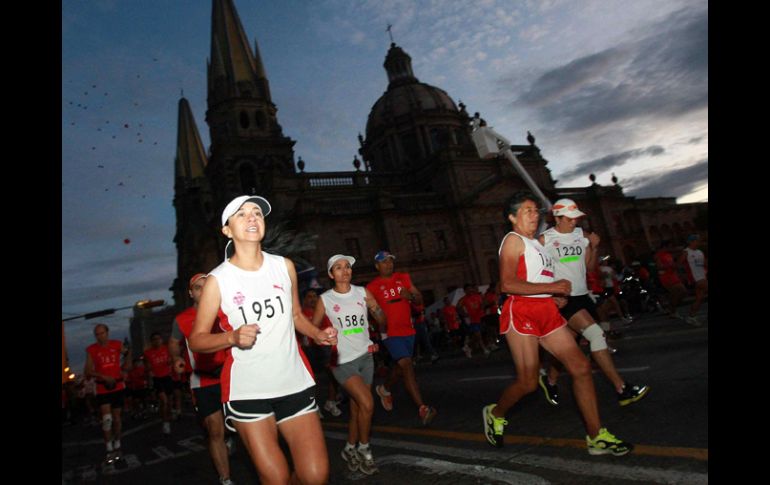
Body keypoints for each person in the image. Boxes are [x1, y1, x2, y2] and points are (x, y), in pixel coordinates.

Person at [188, 195, 337, 485]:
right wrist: (231, 336)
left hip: (292, 380)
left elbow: (295, 315)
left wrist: (318, 334)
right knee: (275, 478)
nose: (252, 217)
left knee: (315, 476)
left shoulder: (284, 266)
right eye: (241, 214)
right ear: (227, 230)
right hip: (247, 390)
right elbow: (197, 340)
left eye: (257, 212)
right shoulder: (218, 280)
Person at [482, 191, 632, 456]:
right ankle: (495, 413)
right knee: (528, 383)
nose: (534, 215)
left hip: (547, 312)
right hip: (522, 313)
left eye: (535, 210)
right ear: (512, 217)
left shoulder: (538, 245)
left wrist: (553, 296)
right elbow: (507, 283)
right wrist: (553, 286)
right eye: (527, 210)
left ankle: (596, 437)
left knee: (581, 367)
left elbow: (537, 280)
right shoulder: (513, 241)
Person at [539, 198, 649, 407]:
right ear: (557, 217)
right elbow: (535, 272)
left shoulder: (582, 236)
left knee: (568, 346)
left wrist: (594, 247)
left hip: (582, 296)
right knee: (596, 335)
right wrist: (550, 293)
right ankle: (621, 388)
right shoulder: (545, 240)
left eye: (576, 218)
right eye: (569, 218)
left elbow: (589, 268)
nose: (574, 222)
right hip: (564, 299)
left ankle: (550, 380)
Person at [313, 254, 387, 475]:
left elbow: (381, 319)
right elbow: (313, 331)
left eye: (347, 267)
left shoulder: (362, 293)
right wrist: (323, 336)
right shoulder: (325, 299)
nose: (344, 270)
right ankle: (365, 450)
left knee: (357, 409)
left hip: (365, 357)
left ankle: (349, 448)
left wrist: (378, 314)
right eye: (338, 267)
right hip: (342, 361)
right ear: (330, 274)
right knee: (367, 403)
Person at [169, 272, 234, 485]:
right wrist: (177, 357)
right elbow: (173, 342)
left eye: (207, 286)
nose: (203, 290)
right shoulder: (182, 319)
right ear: (191, 293)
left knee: (241, 425)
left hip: (231, 376)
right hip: (202, 380)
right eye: (198, 287)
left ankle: (231, 438)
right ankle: (225, 479)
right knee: (215, 430)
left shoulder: (226, 311)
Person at [366, 250, 437, 425]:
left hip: (408, 331)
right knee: (407, 365)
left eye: (390, 261)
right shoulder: (372, 287)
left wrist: (411, 297)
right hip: (389, 333)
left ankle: (385, 388)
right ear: (377, 266)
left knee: (400, 366)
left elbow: (419, 299)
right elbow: (370, 312)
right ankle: (422, 408)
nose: (388, 264)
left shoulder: (403, 277)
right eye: (384, 262)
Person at [85, 323, 131, 464]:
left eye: (102, 333)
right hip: (102, 388)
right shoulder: (92, 350)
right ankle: (109, 449)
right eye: (97, 334)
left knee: (117, 419)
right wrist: (103, 376)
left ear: (107, 332)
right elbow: (88, 371)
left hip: (117, 386)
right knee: (107, 419)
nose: (100, 336)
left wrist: (125, 368)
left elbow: (128, 352)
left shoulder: (116, 345)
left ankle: (117, 444)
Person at [300, 288, 342, 418]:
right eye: (309, 296)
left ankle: (330, 401)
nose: (312, 299)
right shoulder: (299, 315)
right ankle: (314, 406)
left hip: (325, 348)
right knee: (312, 380)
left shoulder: (323, 312)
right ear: (304, 300)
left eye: (314, 296)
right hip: (308, 350)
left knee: (334, 376)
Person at [143, 332, 173, 435]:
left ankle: (167, 416)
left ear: (161, 339)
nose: (157, 341)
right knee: (163, 400)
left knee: (169, 401)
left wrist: (170, 362)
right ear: (151, 341)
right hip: (157, 379)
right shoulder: (148, 353)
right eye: (154, 339)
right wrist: (149, 378)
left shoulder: (166, 348)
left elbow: (172, 359)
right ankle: (165, 422)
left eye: (158, 338)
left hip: (167, 377)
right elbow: (147, 367)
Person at [655, 240, 688, 319]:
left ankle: (671, 309)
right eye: (670, 246)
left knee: (681, 293)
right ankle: (672, 310)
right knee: (680, 291)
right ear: (665, 247)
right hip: (666, 277)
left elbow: (677, 257)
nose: (671, 248)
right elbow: (659, 267)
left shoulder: (668, 255)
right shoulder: (659, 255)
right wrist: (670, 266)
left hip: (673, 276)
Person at [679, 234, 707, 326]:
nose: (698, 242)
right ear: (691, 242)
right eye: (697, 240)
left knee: (699, 299)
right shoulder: (686, 252)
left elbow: (705, 263)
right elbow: (678, 264)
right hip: (695, 278)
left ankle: (691, 317)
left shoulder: (700, 252)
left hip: (702, 276)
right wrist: (683, 276)